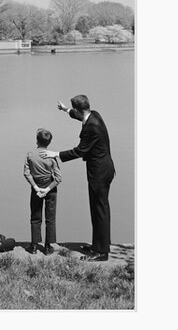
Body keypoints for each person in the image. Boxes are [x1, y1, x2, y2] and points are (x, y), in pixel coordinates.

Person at [40, 94, 116, 262]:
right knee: (97, 209)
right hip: (103, 169)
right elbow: (78, 115)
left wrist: (56, 154)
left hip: (100, 172)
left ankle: (101, 252)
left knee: (100, 210)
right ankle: (98, 245)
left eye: (73, 108)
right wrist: (65, 110)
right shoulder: (93, 114)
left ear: (79, 109)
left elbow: (80, 151)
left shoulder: (92, 127)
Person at [23, 128, 62, 255]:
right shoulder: (51, 157)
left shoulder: (30, 154)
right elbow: (58, 178)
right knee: (50, 218)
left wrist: (36, 187)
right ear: (49, 142)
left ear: (36, 141)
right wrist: (47, 189)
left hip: (36, 188)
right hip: (50, 188)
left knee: (35, 217)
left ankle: (34, 246)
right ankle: (47, 246)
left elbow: (26, 173)